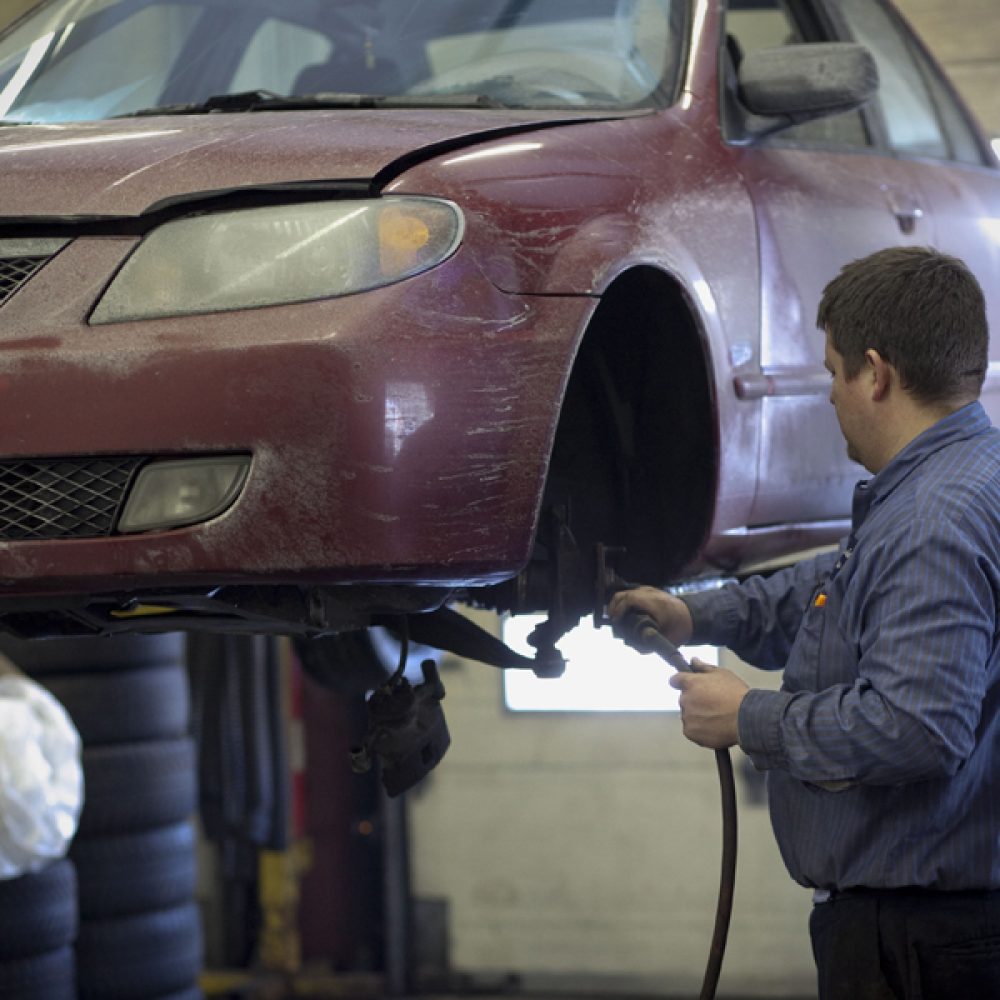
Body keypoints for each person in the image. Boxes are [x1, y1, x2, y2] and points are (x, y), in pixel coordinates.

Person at [610, 246, 1000, 1000]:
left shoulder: (931, 521)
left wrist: (748, 717)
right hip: (938, 931)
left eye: (832, 372)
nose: (829, 395)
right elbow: (836, 594)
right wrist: (698, 612)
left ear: (876, 374)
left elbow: (919, 725)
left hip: (918, 948)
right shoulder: (957, 485)